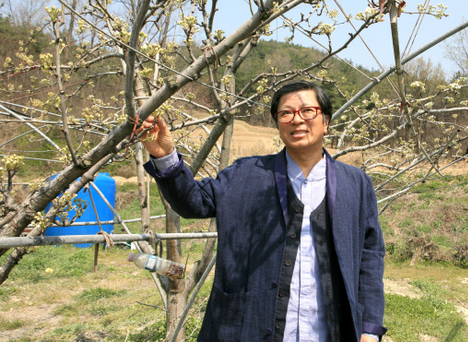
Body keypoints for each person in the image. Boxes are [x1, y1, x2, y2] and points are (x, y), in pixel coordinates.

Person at [141, 81, 387, 342]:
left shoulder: (356, 183)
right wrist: (165, 156)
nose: (296, 120)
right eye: (286, 113)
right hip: (248, 327)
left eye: (307, 111)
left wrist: (370, 328)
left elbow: (370, 256)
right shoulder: (246, 174)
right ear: (278, 124)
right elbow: (192, 202)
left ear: (325, 121)